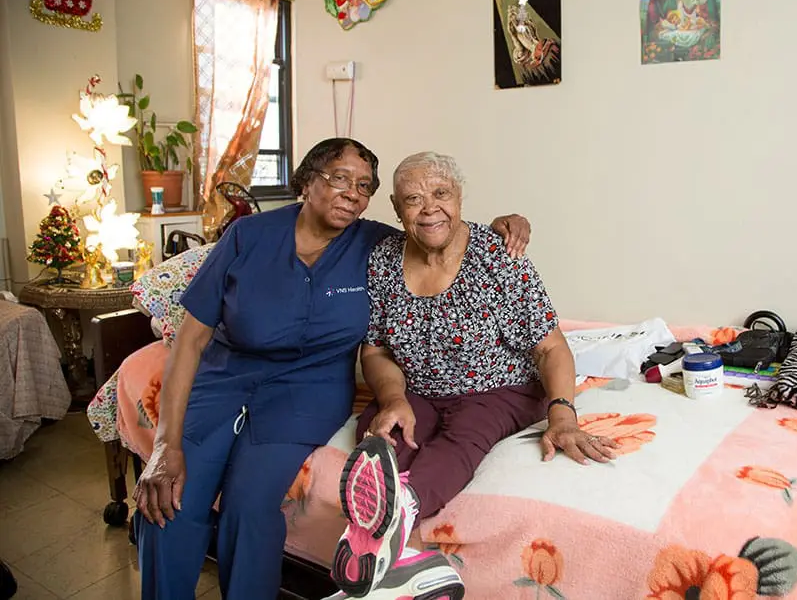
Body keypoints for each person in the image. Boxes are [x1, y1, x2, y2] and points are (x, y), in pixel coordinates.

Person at [132, 138, 531, 600]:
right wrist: (165, 443)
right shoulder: (247, 237)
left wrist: (504, 226)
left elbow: (435, 226)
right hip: (225, 381)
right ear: (306, 181)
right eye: (339, 178)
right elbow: (190, 339)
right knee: (167, 500)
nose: (352, 193)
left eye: (364, 186)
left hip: (306, 393)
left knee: (251, 505)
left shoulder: (374, 243)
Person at [330, 152, 621, 597]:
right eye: (413, 198)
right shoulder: (384, 260)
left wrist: (563, 414)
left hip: (498, 388)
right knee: (382, 435)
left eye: (441, 193)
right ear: (395, 207)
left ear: (460, 197)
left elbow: (551, 347)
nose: (429, 208)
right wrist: (392, 398)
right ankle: (403, 563)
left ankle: (399, 513)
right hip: (420, 388)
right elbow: (376, 350)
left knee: (464, 438)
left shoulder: (496, 255)